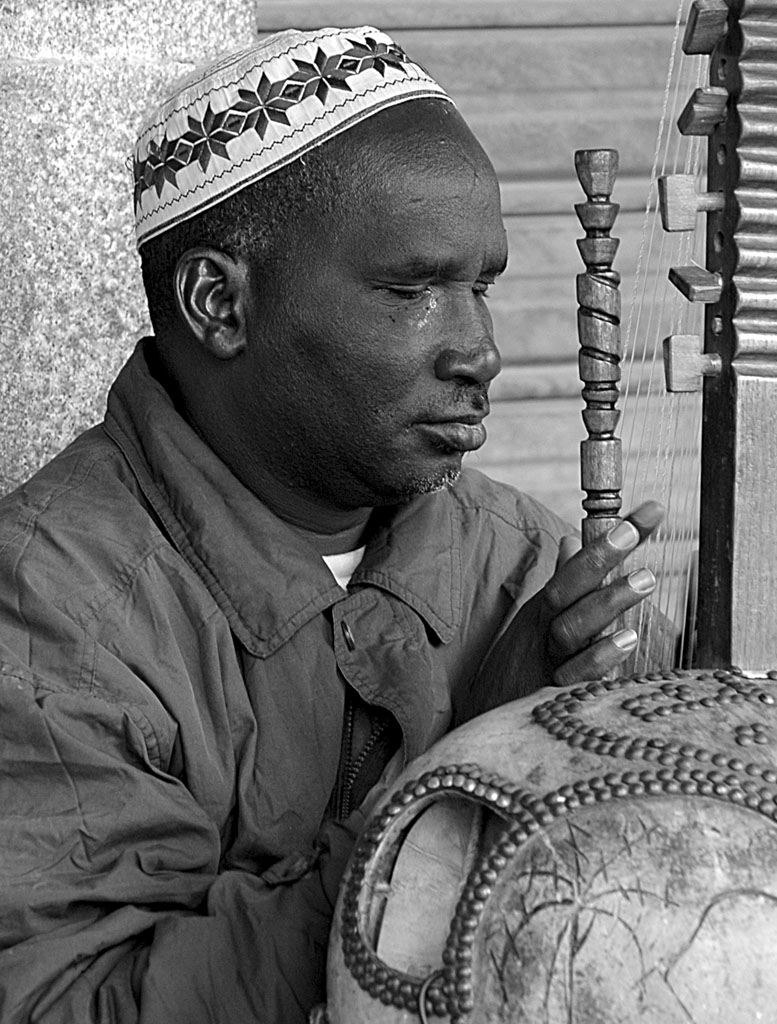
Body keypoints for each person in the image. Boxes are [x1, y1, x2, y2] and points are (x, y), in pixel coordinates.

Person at [0, 26, 663, 1024]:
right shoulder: (50, 607)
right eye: (411, 292)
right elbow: (72, 1000)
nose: (480, 350)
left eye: (480, 287)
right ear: (219, 302)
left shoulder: (524, 559)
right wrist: (470, 770)